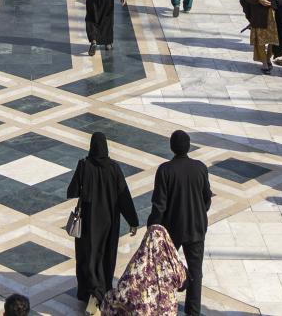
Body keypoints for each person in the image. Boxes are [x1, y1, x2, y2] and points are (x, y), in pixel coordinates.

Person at [147, 130, 213, 316]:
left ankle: (163, 306)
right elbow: (207, 199)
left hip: (172, 230)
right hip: (196, 228)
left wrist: (152, 226)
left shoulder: (165, 170)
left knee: (163, 268)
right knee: (196, 271)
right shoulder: (200, 168)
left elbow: (159, 205)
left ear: (171, 147)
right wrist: (198, 212)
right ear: (189, 146)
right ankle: (193, 312)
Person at [68, 131, 138, 306]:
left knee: (88, 255)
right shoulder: (114, 168)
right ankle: (102, 290)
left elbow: (72, 191)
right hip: (109, 221)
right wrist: (133, 221)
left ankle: (90, 292)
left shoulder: (84, 165)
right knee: (106, 254)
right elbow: (124, 197)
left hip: (89, 221)